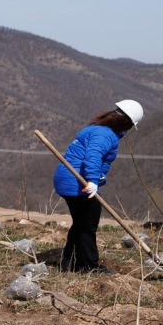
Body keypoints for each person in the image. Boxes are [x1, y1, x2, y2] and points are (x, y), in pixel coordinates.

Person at [53, 100, 143, 274]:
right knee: (87, 224)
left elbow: (98, 159)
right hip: (77, 181)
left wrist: (99, 176)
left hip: (70, 178)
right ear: (127, 123)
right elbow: (92, 156)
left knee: (80, 223)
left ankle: (68, 262)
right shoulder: (105, 134)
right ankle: (89, 266)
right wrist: (93, 180)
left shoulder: (96, 129)